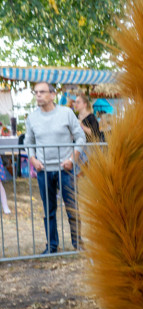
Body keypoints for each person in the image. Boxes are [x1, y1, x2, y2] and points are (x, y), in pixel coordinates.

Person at [25, 83, 86, 254]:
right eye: (36, 92)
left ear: (53, 95)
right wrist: (33, 160)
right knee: (49, 210)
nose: (38, 95)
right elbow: (28, 142)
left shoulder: (66, 114)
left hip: (65, 169)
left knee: (72, 207)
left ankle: (78, 244)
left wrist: (72, 160)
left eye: (42, 92)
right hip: (43, 170)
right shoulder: (32, 118)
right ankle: (52, 246)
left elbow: (80, 137)